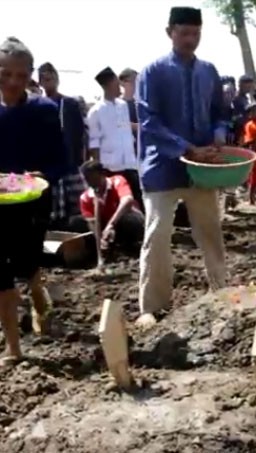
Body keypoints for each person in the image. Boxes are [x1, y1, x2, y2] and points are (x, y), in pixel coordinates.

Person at [136, 6, 228, 326]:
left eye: (196, 33)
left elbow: (220, 113)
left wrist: (218, 135)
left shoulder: (209, 72)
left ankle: (222, 293)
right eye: (184, 33)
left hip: (202, 169)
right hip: (161, 167)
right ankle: (152, 306)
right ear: (170, 32)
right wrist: (187, 148)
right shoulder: (153, 72)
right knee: (157, 234)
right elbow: (149, 122)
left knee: (211, 231)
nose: (191, 39)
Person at [0, 37, 71, 363]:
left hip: (32, 202)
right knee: (2, 274)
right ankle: (13, 347)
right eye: (5, 74)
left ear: (30, 76)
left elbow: (61, 160)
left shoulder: (43, 111)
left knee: (25, 262)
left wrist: (41, 176)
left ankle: (36, 285)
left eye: (20, 75)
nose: (13, 82)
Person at [38, 62, 86, 230]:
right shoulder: (37, 105)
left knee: (78, 208)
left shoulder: (70, 103)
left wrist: (80, 158)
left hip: (70, 164)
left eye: (52, 78)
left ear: (57, 80)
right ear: (40, 82)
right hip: (48, 167)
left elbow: (80, 133)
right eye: (45, 79)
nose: (49, 82)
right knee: (53, 212)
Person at [86, 67, 142, 207]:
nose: (119, 86)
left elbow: (126, 131)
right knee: (114, 204)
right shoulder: (96, 111)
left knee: (137, 201)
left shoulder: (122, 106)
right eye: (116, 83)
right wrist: (98, 170)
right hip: (110, 167)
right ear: (108, 85)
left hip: (130, 164)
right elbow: (94, 143)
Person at [77, 161, 144, 251]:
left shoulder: (117, 181)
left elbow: (127, 200)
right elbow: (92, 222)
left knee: (129, 219)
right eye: (88, 180)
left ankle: (133, 246)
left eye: (95, 179)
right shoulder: (85, 198)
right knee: (77, 223)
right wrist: (100, 239)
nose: (92, 183)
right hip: (106, 227)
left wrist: (111, 224)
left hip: (123, 221)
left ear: (103, 174)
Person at [119, 68, 139, 148]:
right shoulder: (116, 105)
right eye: (133, 81)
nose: (135, 84)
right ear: (122, 83)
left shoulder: (140, 104)